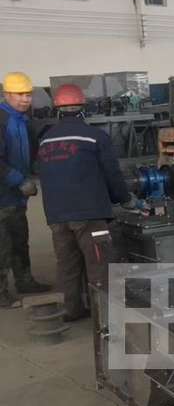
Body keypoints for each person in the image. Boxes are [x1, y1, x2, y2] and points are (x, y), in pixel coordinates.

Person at [37, 83, 132, 322]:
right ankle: (104, 318)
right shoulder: (95, 137)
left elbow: (45, 175)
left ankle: (71, 311)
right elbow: (112, 174)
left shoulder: (45, 140)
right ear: (83, 108)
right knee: (99, 265)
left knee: (67, 265)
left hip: (56, 215)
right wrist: (124, 198)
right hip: (89, 214)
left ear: (57, 110)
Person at [0, 71, 51, 307]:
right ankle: (1, 293)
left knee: (20, 239)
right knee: (3, 245)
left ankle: (24, 281)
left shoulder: (24, 120)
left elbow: (31, 153)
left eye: (28, 94)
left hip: (17, 197)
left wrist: (37, 170)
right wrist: (19, 180)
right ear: (6, 94)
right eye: (19, 94)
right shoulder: (2, 119)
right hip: (3, 194)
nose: (25, 99)